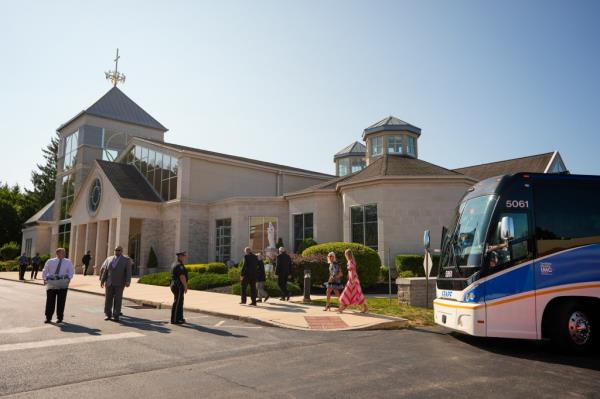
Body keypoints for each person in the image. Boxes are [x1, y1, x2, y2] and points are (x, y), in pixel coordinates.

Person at [99, 246, 132, 322]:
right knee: (108, 299)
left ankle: (116, 315)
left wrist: (128, 281)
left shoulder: (126, 260)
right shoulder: (109, 259)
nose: (117, 251)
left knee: (118, 299)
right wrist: (102, 280)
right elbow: (106, 271)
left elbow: (128, 272)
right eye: (116, 250)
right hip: (109, 282)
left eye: (119, 250)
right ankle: (108, 314)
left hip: (120, 283)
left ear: (122, 251)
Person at [42, 248, 74, 323]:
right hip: (52, 282)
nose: (64, 254)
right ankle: (48, 317)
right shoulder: (50, 261)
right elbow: (45, 270)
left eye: (64, 253)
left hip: (62, 282)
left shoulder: (68, 262)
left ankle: (60, 318)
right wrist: (44, 278)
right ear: (57, 253)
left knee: (61, 301)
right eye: (62, 252)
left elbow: (71, 271)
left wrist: (69, 278)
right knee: (50, 301)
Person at [338, 249, 368, 314]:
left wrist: (351, 280)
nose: (345, 256)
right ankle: (365, 308)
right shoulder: (353, 261)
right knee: (356, 294)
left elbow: (352, 272)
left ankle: (342, 308)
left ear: (347, 255)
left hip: (352, 280)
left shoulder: (350, 261)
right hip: (354, 280)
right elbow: (353, 271)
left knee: (348, 293)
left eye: (346, 254)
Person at [170, 251, 189, 324]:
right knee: (177, 302)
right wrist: (185, 286)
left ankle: (180, 318)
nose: (185, 257)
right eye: (184, 255)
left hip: (175, 285)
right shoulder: (179, 265)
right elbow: (182, 277)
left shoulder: (175, 263)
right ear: (180, 256)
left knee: (180, 301)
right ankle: (174, 320)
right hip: (178, 286)